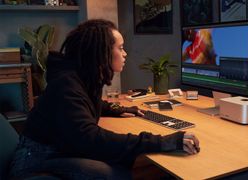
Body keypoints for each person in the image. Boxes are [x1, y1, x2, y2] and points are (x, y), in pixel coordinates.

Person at [9, 19, 200, 179]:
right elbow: (90, 139)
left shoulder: (80, 77)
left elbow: (84, 104)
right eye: (121, 48)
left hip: (56, 149)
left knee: (125, 160)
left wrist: (115, 108)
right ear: (100, 51)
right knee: (115, 173)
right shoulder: (67, 85)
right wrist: (162, 142)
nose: (125, 54)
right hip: (35, 161)